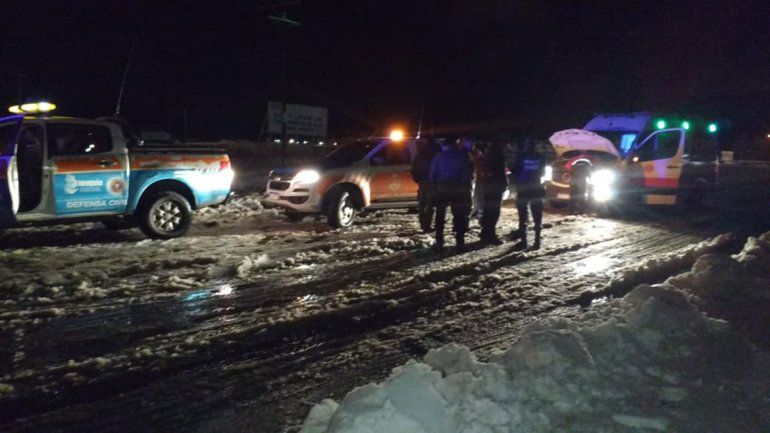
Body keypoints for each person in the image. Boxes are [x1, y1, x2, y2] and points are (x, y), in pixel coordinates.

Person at [429, 136, 474, 253]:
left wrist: (434, 187)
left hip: (442, 189)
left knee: (440, 216)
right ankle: (460, 242)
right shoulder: (462, 156)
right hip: (458, 190)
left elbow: (433, 173)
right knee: (459, 215)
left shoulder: (439, 156)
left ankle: (439, 242)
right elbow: (467, 173)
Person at [510, 139, 546, 249]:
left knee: (523, 214)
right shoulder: (540, 157)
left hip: (523, 188)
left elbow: (514, 170)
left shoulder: (521, 156)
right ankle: (537, 241)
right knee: (537, 215)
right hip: (536, 187)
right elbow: (543, 172)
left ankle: (524, 241)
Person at [479, 142, 507, 245]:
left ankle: (484, 232)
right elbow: (500, 173)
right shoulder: (499, 157)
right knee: (494, 212)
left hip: (487, 186)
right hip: (496, 187)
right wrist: (504, 184)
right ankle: (491, 235)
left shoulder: (486, 156)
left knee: (487, 210)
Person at [410, 139, 440, 232]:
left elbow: (414, 169)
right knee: (430, 205)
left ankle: (423, 224)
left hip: (422, 182)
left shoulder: (420, 155)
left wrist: (417, 179)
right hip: (431, 182)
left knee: (422, 204)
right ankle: (426, 225)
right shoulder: (434, 155)